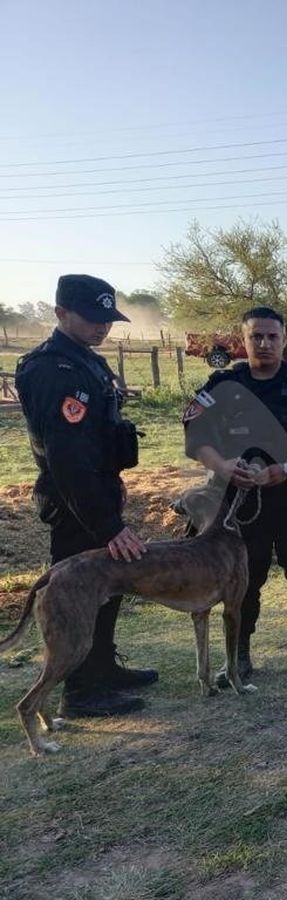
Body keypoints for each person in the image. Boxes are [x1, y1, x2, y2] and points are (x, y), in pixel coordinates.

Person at [14, 274, 156, 717]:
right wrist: (109, 526)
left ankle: (102, 668)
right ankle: (79, 691)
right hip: (75, 501)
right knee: (77, 594)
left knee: (108, 587)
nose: (102, 327)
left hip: (99, 490)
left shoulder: (88, 360)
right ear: (60, 314)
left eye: (108, 318)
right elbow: (68, 458)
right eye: (92, 318)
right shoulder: (52, 368)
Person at [183, 306, 287, 685]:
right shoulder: (222, 385)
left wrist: (283, 469)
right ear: (243, 340)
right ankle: (238, 654)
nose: (265, 343)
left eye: (273, 336)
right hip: (239, 502)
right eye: (256, 336)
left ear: (285, 341)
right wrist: (223, 467)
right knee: (243, 576)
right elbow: (195, 435)